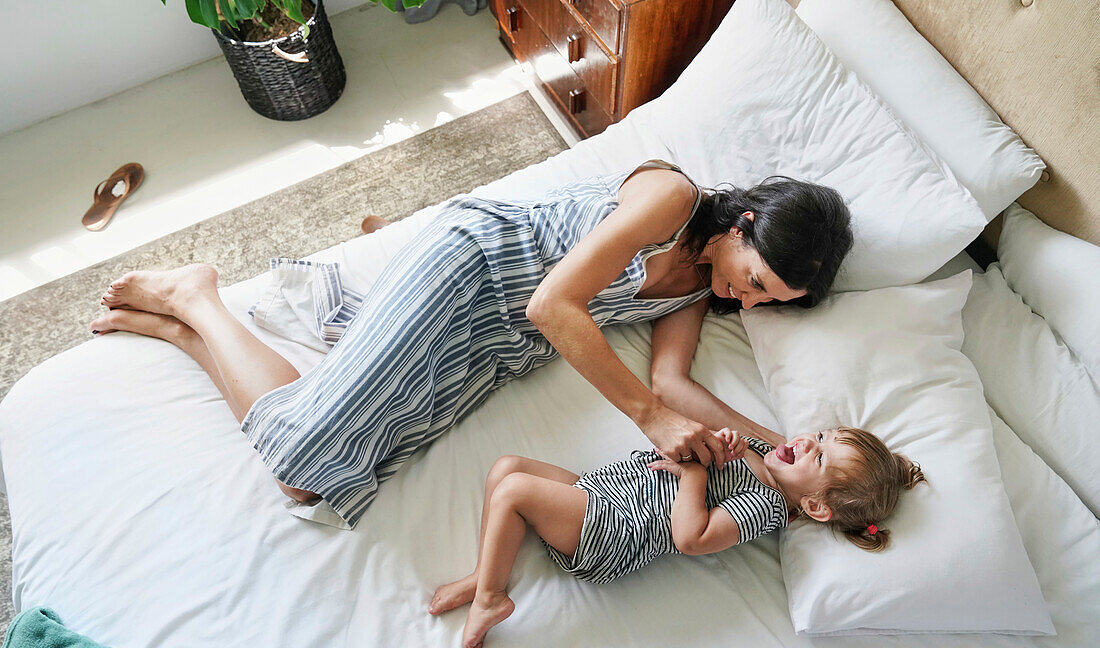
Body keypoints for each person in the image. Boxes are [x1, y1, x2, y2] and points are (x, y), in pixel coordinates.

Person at [93, 160, 853, 529]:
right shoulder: (672, 198)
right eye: (754, 280)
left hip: (501, 347)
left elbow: (676, 385)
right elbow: (554, 302)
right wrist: (648, 420)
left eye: (765, 303)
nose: (741, 300)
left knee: (327, 475)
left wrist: (781, 450)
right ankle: (197, 297)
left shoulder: (696, 288)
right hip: (476, 269)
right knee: (302, 465)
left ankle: (182, 329)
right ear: (745, 221)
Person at [429, 425, 924, 648]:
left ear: (815, 506)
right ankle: (482, 574)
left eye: (818, 458)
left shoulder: (768, 508)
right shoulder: (756, 449)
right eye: (820, 434)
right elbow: (703, 447)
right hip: (602, 489)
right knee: (507, 468)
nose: (806, 441)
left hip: (614, 528)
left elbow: (691, 537)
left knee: (514, 491)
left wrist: (694, 471)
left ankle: (492, 598)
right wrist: (719, 442)